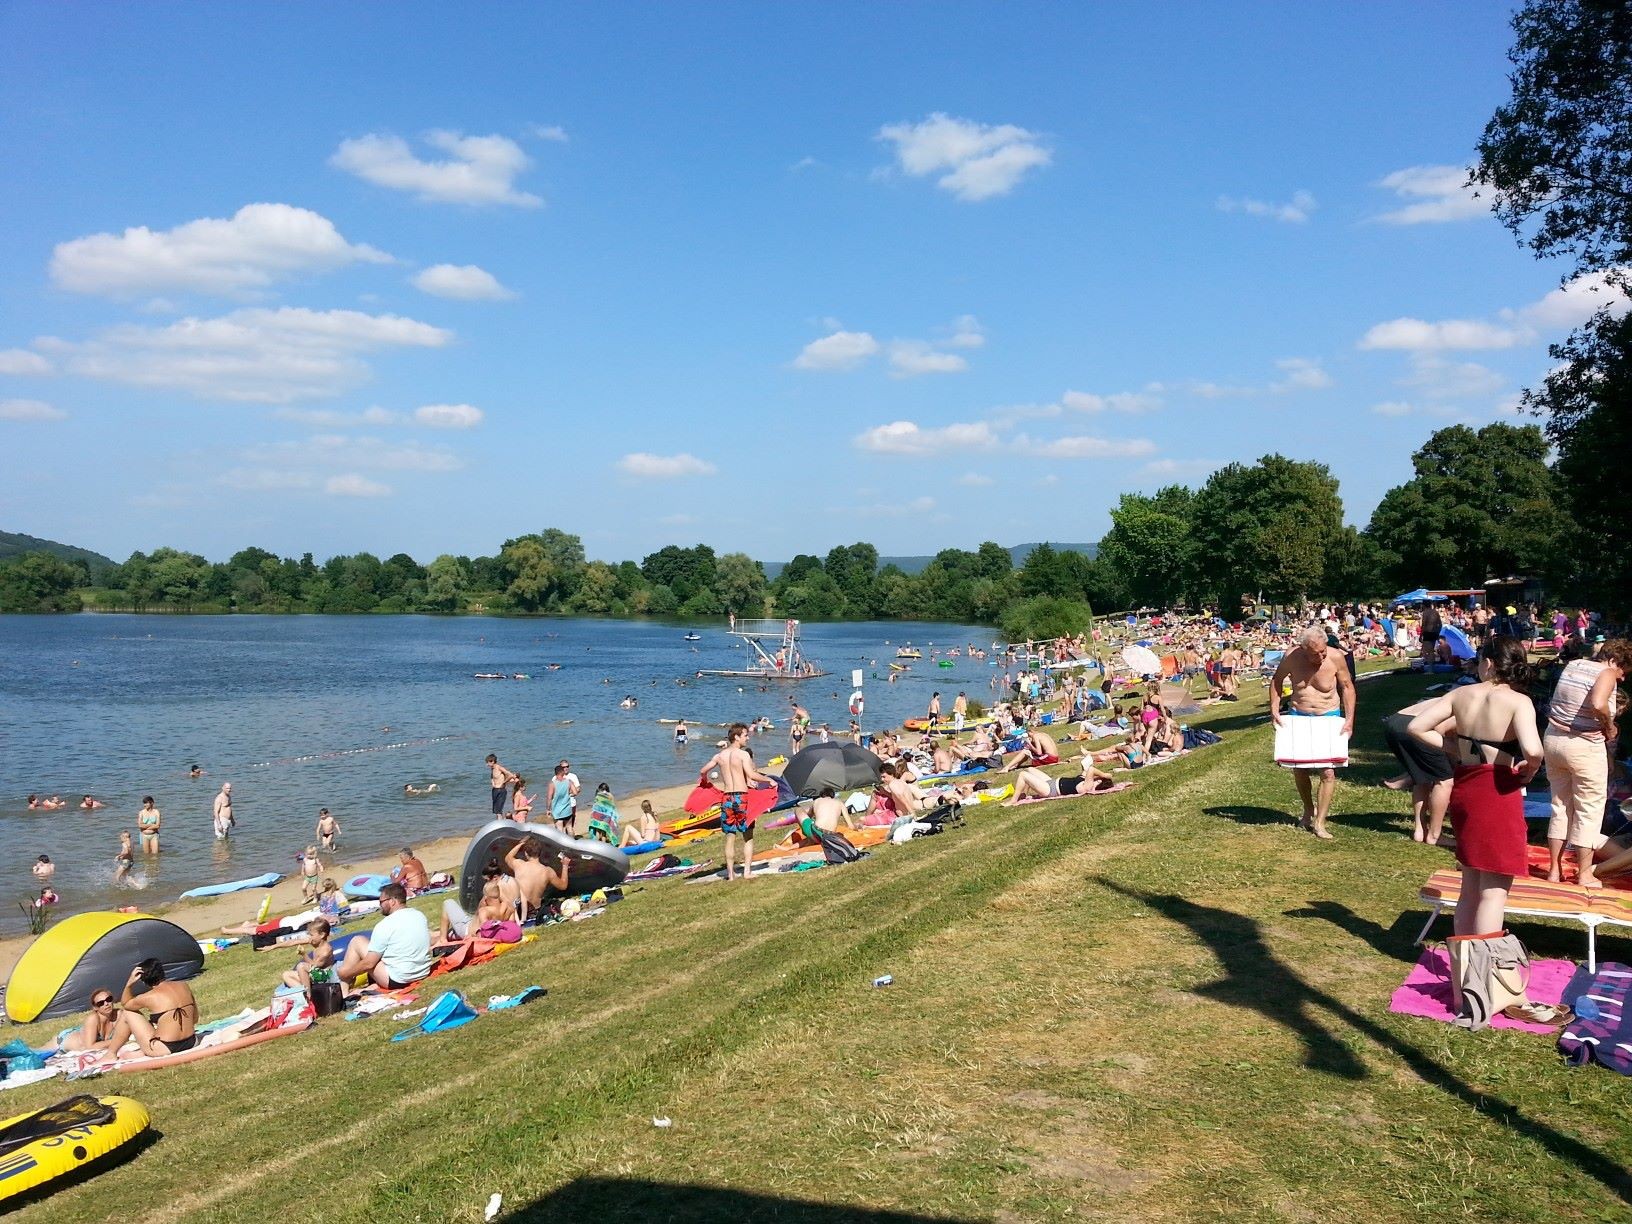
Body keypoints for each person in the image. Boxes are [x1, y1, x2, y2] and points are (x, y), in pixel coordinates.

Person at [1407, 636, 1543, 940]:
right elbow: (1533, 751)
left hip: (1467, 787)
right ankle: (1484, 967)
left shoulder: (1461, 694)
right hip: (1498, 789)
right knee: (1493, 892)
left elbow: (1416, 727)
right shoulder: (1519, 701)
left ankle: (1464, 966)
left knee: (1469, 885)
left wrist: (1456, 749)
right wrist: (1529, 771)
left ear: (1488, 663)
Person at [1543, 639, 1630, 887]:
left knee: (1560, 805)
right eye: (1623, 671)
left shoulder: (1574, 665)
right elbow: (1598, 703)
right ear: (1614, 661)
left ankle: (1553, 870)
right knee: (1588, 811)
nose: (1622, 678)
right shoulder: (1606, 673)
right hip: (1583, 746)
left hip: (1554, 739)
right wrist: (1609, 726)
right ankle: (1583, 874)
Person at [1270, 627, 1357, 840]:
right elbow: (1277, 681)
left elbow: (1347, 687)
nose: (1320, 656)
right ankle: (1309, 811)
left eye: (1323, 651)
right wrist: (1274, 710)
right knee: (1300, 769)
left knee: (1327, 771)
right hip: (1298, 715)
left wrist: (1350, 719)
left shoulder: (1336, 657)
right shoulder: (1291, 657)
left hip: (1328, 715)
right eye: (1314, 653)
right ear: (1303, 648)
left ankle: (1320, 822)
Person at [701, 722, 775, 881]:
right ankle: (747, 872)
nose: (748, 738)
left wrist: (705, 780)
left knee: (730, 836)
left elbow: (703, 770)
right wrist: (768, 780)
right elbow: (752, 774)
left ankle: (730, 875)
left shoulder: (719, 756)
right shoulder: (743, 755)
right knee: (748, 835)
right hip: (742, 797)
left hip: (727, 797)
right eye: (745, 735)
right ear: (736, 737)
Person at [332, 883, 431, 992]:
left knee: (357, 941)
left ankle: (343, 991)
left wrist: (345, 973)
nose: (380, 906)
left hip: (399, 979)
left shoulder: (385, 925)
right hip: (422, 972)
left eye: (381, 902)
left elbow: (369, 963)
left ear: (392, 901)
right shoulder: (419, 915)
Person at [1382, 699, 1456, 844]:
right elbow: (1442, 728)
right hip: (1414, 726)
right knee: (1446, 780)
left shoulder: (1469, 695)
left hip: (1396, 721)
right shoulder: (1480, 709)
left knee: (1422, 776)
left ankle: (1420, 830)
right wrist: (1455, 755)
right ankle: (1435, 836)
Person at [110, 957, 199, 1055]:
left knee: (127, 1013)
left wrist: (129, 984)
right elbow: (194, 1019)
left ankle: (111, 1053)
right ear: (162, 972)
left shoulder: (149, 996)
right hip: (191, 1041)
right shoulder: (183, 985)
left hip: (165, 1047)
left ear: (143, 980)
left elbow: (126, 1004)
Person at [503, 839, 572, 921]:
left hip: (520, 911)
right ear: (540, 853)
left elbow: (508, 858)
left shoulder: (519, 864)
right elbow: (563, 886)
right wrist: (565, 866)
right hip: (536, 911)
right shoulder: (547, 871)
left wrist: (521, 844)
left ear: (526, 853)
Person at [437, 881, 521, 946]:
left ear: (485, 898)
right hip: (470, 926)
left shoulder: (485, 911)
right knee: (444, 934)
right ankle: (438, 937)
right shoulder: (509, 908)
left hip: (465, 929)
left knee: (447, 902)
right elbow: (510, 926)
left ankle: (443, 940)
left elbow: (484, 933)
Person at [1003, 760, 1117, 805]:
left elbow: (1091, 770)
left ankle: (1013, 800)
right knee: (1029, 770)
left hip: (1049, 790)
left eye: (1099, 780)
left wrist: (1104, 774)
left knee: (1023, 775)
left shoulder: (1088, 787)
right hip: (1051, 782)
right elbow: (1086, 771)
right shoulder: (1088, 782)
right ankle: (1024, 794)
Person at [60, 989, 125, 1054]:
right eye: (101, 1003)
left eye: (108, 999)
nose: (106, 1004)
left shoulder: (119, 1014)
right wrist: (119, 1040)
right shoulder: (93, 1019)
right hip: (64, 1040)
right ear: (95, 1007)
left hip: (81, 1031)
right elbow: (90, 1047)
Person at [280, 918, 335, 991]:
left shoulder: (326, 951)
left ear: (322, 935)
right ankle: (304, 992)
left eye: (311, 935)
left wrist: (303, 954)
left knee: (301, 966)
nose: (309, 937)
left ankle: (308, 995)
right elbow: (294, 942)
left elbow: (314, 966)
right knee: (286, 975)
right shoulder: (316, 942)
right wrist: (272, 946)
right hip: (316, 974)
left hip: (325, 976)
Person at [546, 763, 576, 833]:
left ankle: (562, 844)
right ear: (562, 772)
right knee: (569, 827)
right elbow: (575, 792)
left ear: (555, 773)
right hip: (567, 809)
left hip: (557, 811)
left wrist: (548, 809)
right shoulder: (569, 781)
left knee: (560, 829)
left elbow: (549, 798)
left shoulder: (552, 784)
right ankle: (571, 842)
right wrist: (568, 794)